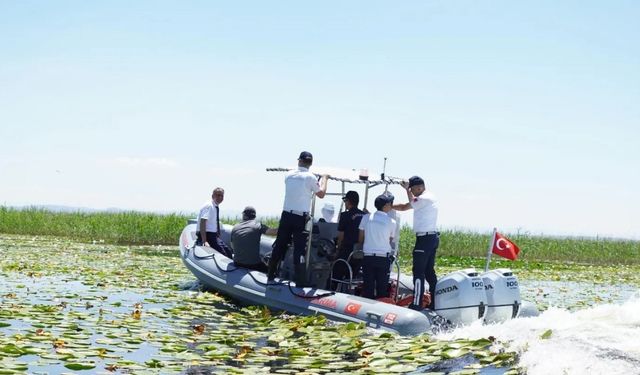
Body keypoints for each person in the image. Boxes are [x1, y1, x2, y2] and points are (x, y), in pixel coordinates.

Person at [267, 151, 329, 286]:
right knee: (300, 248)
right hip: (300, 218)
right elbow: (321, 194)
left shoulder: (289, 175)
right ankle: (300, 281)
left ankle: (271, 274)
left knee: (280, 244)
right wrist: (324, 179)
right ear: (310, 163)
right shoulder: (311, 178)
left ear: (299, 161)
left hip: (286, 215)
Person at [392, 176, 439, 310]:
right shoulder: (425, 200)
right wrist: (389, 206)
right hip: (431, 238)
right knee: (429, 271)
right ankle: (434, 303)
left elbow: (412, 201)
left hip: (424, 239)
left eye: (413, 189)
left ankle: (417, 303)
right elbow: (404, 206)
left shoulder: (424, 198)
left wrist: (407, 190)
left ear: (420, 187)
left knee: (418, 271)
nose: (411, 191)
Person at [358, 193, 396, 299]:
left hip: (368, 256)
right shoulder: (392, 222)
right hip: (383, 258)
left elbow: (360, 238)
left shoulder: (366, 218)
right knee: (382, 289)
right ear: (386, 206)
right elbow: (390, 239)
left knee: (368, 288)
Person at [331, 190, 365, 287]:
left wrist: (337, 250)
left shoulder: (345, 215)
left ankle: (330, 292)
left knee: (335, 275)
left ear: (348, 201)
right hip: (359, 253)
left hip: (346, 250)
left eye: (345, 201)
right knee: (352, 278)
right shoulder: (365, 216)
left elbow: (341, 235)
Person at [231, 206, 278, 273]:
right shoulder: (258, 225)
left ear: (244, 215)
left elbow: (232, 246)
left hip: (237, 263)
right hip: (253, 265)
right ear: (254, 216)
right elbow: (273, 232)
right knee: (270, 271)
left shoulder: (235, 227)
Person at [196, 187, 233, 259]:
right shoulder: (209, 206)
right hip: (207, 235)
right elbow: (203, 222)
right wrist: (205, 241)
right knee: (223, 254)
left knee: (228, 252)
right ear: (213, 196)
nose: (220, 197)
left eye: (222, 195)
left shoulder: (215, 206)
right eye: (218, 195)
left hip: (213, 235)